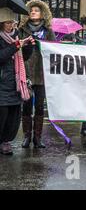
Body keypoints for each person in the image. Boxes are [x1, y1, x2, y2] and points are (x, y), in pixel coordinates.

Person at [19, 0, 56, 149]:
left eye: (36, 10)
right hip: (26, 72)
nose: (33, 12)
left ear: (43, 14)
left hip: (42, 74)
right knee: (27, 106)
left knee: (40, 106)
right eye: (31, 10)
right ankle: (27, 136)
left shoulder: (48, 31)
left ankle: (38, 138)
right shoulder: (22, 30)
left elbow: (54, 52)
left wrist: (51, 67)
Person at [0, 8, 34, 155]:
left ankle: (6, 141)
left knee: (14, 115)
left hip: (16, 83)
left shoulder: (16, 36)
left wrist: (29, 47)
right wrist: (15, 46)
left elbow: (23, 57)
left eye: (12, 22)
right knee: (2, 114)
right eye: (7, 23)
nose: (11, 25)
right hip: (2, 83)